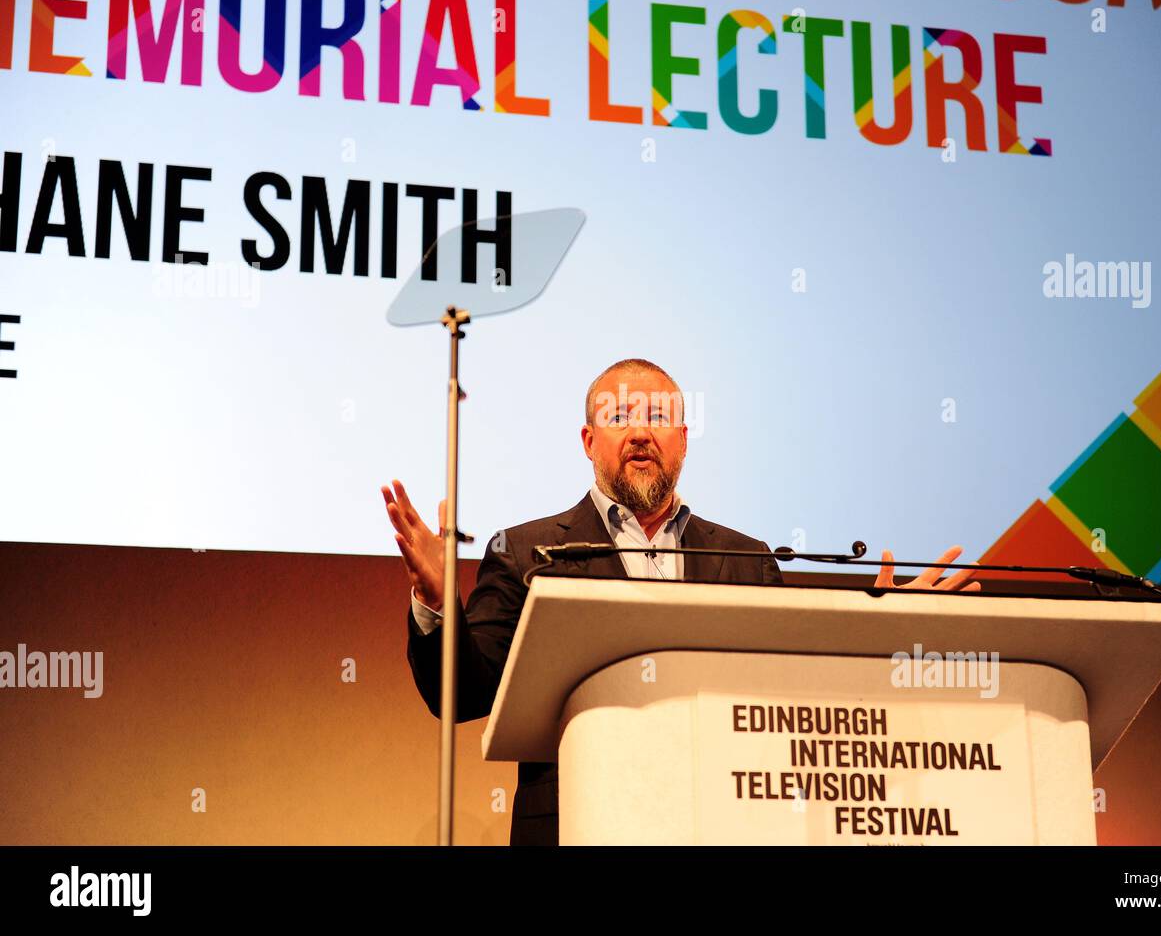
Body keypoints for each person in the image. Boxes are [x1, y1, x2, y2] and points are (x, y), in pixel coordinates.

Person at [382, 358, 981, 845]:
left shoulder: (746, 559)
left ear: (683, 441)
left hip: (721, 824)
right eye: (620, 417)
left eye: (659, 418)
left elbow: (797, 692)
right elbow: (461, 693)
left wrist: (893, 630)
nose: (640, 433)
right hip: (577, 824)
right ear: (589, 441)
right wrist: (436, 603)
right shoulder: (525, 551)